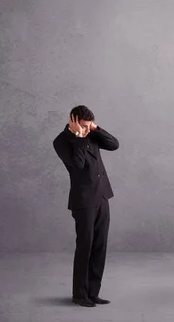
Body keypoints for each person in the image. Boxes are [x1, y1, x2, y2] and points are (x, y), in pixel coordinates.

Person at [53, 105, 119, 307]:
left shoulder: (91, 131)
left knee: (100, 246)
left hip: (102, 196)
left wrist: (94, 128)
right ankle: (79, 295)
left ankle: (93, 293)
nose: (87, 128)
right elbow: (77, 165)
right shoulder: (61, 141)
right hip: (83, 201)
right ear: (73, 121)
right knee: (85, 246)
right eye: (84, 125)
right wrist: (79, 138)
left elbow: (114, 144)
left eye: (89, 124)